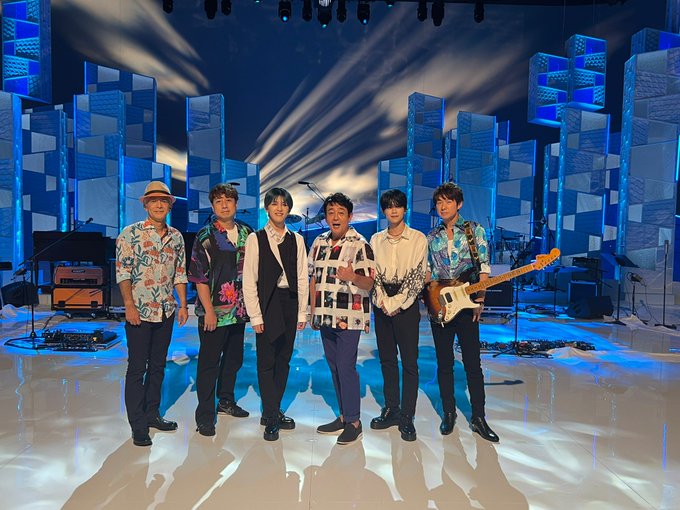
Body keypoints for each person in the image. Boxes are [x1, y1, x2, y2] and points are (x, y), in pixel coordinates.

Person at [116, 180, 188, 447]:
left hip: (165, 310)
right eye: (154, 200)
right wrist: (129, 305)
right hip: (139, 311)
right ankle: (137, 424)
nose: (159, 205)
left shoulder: (176, 236)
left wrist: (183, 305)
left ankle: (152, 414)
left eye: (163, 201)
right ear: (146, 205)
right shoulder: (130, 234)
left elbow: (179, 273)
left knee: (158, 366)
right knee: (137, 368)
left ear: (169, 205)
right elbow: (123, 272)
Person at [426, 182, 499, 442]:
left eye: (448, 201)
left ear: (459, 204)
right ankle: (448, 413)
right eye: (439, 202)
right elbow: (429, 272)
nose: (443, 206)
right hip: (441, 306)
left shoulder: (474, 230)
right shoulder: (431, 236)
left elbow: (484, 266)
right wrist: (429, 299)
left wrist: (480, 298)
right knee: (444, 364)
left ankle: (479, 417)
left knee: (472, 364)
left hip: (467, 305)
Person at [242, 188, 308, 441]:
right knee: (266, 361)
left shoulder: (297, 240)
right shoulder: (255, 238)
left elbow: (302, 277)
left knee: (284, 360)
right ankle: (270, 416)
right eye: (274, 204)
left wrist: (302, 312)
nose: (279, 208)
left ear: (288, 208)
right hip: (268, 302)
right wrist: (255, 316)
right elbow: (249, 280)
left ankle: (273, 409)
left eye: (283, 204)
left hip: (289, 302)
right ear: (267, 208)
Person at [309, 192, 375, 445]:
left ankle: (354, 422)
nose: (335, 217)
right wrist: (312, 310)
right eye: (331, 212)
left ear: (350, 216)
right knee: (334, 366)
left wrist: (352, 276)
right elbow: (313, 278)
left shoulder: (360, 244)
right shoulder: (319, 242)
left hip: (349, 315)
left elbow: (369, 283)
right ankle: (344, 416)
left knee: (346, 367)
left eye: (340, 213)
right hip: (325, 315)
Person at [188, 183, 253, 437]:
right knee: (208, 364)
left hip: (239, 311)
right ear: (213, 206)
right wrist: (209, 311)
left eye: (228, 200)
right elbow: (199, 276)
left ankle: (226, 401)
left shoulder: (248, 233)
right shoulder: (206, 236)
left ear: (236, 204)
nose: (224, 205)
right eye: (218, 201)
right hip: (213, 312)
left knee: (234, 359)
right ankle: (205, 416)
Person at [369, 189, 428, 442]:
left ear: (405, 209)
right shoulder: (375, 239)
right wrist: (383, 301)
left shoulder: (418, 239)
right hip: (382, 304)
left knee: (410, 363)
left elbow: (417, 276)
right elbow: (373, 275)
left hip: (406, 305)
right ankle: (391, 409)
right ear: (384, 211)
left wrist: (397, 303)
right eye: (389, 206)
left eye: (398, 205)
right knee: (387, 360)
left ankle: (407, 416)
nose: (393, 210)